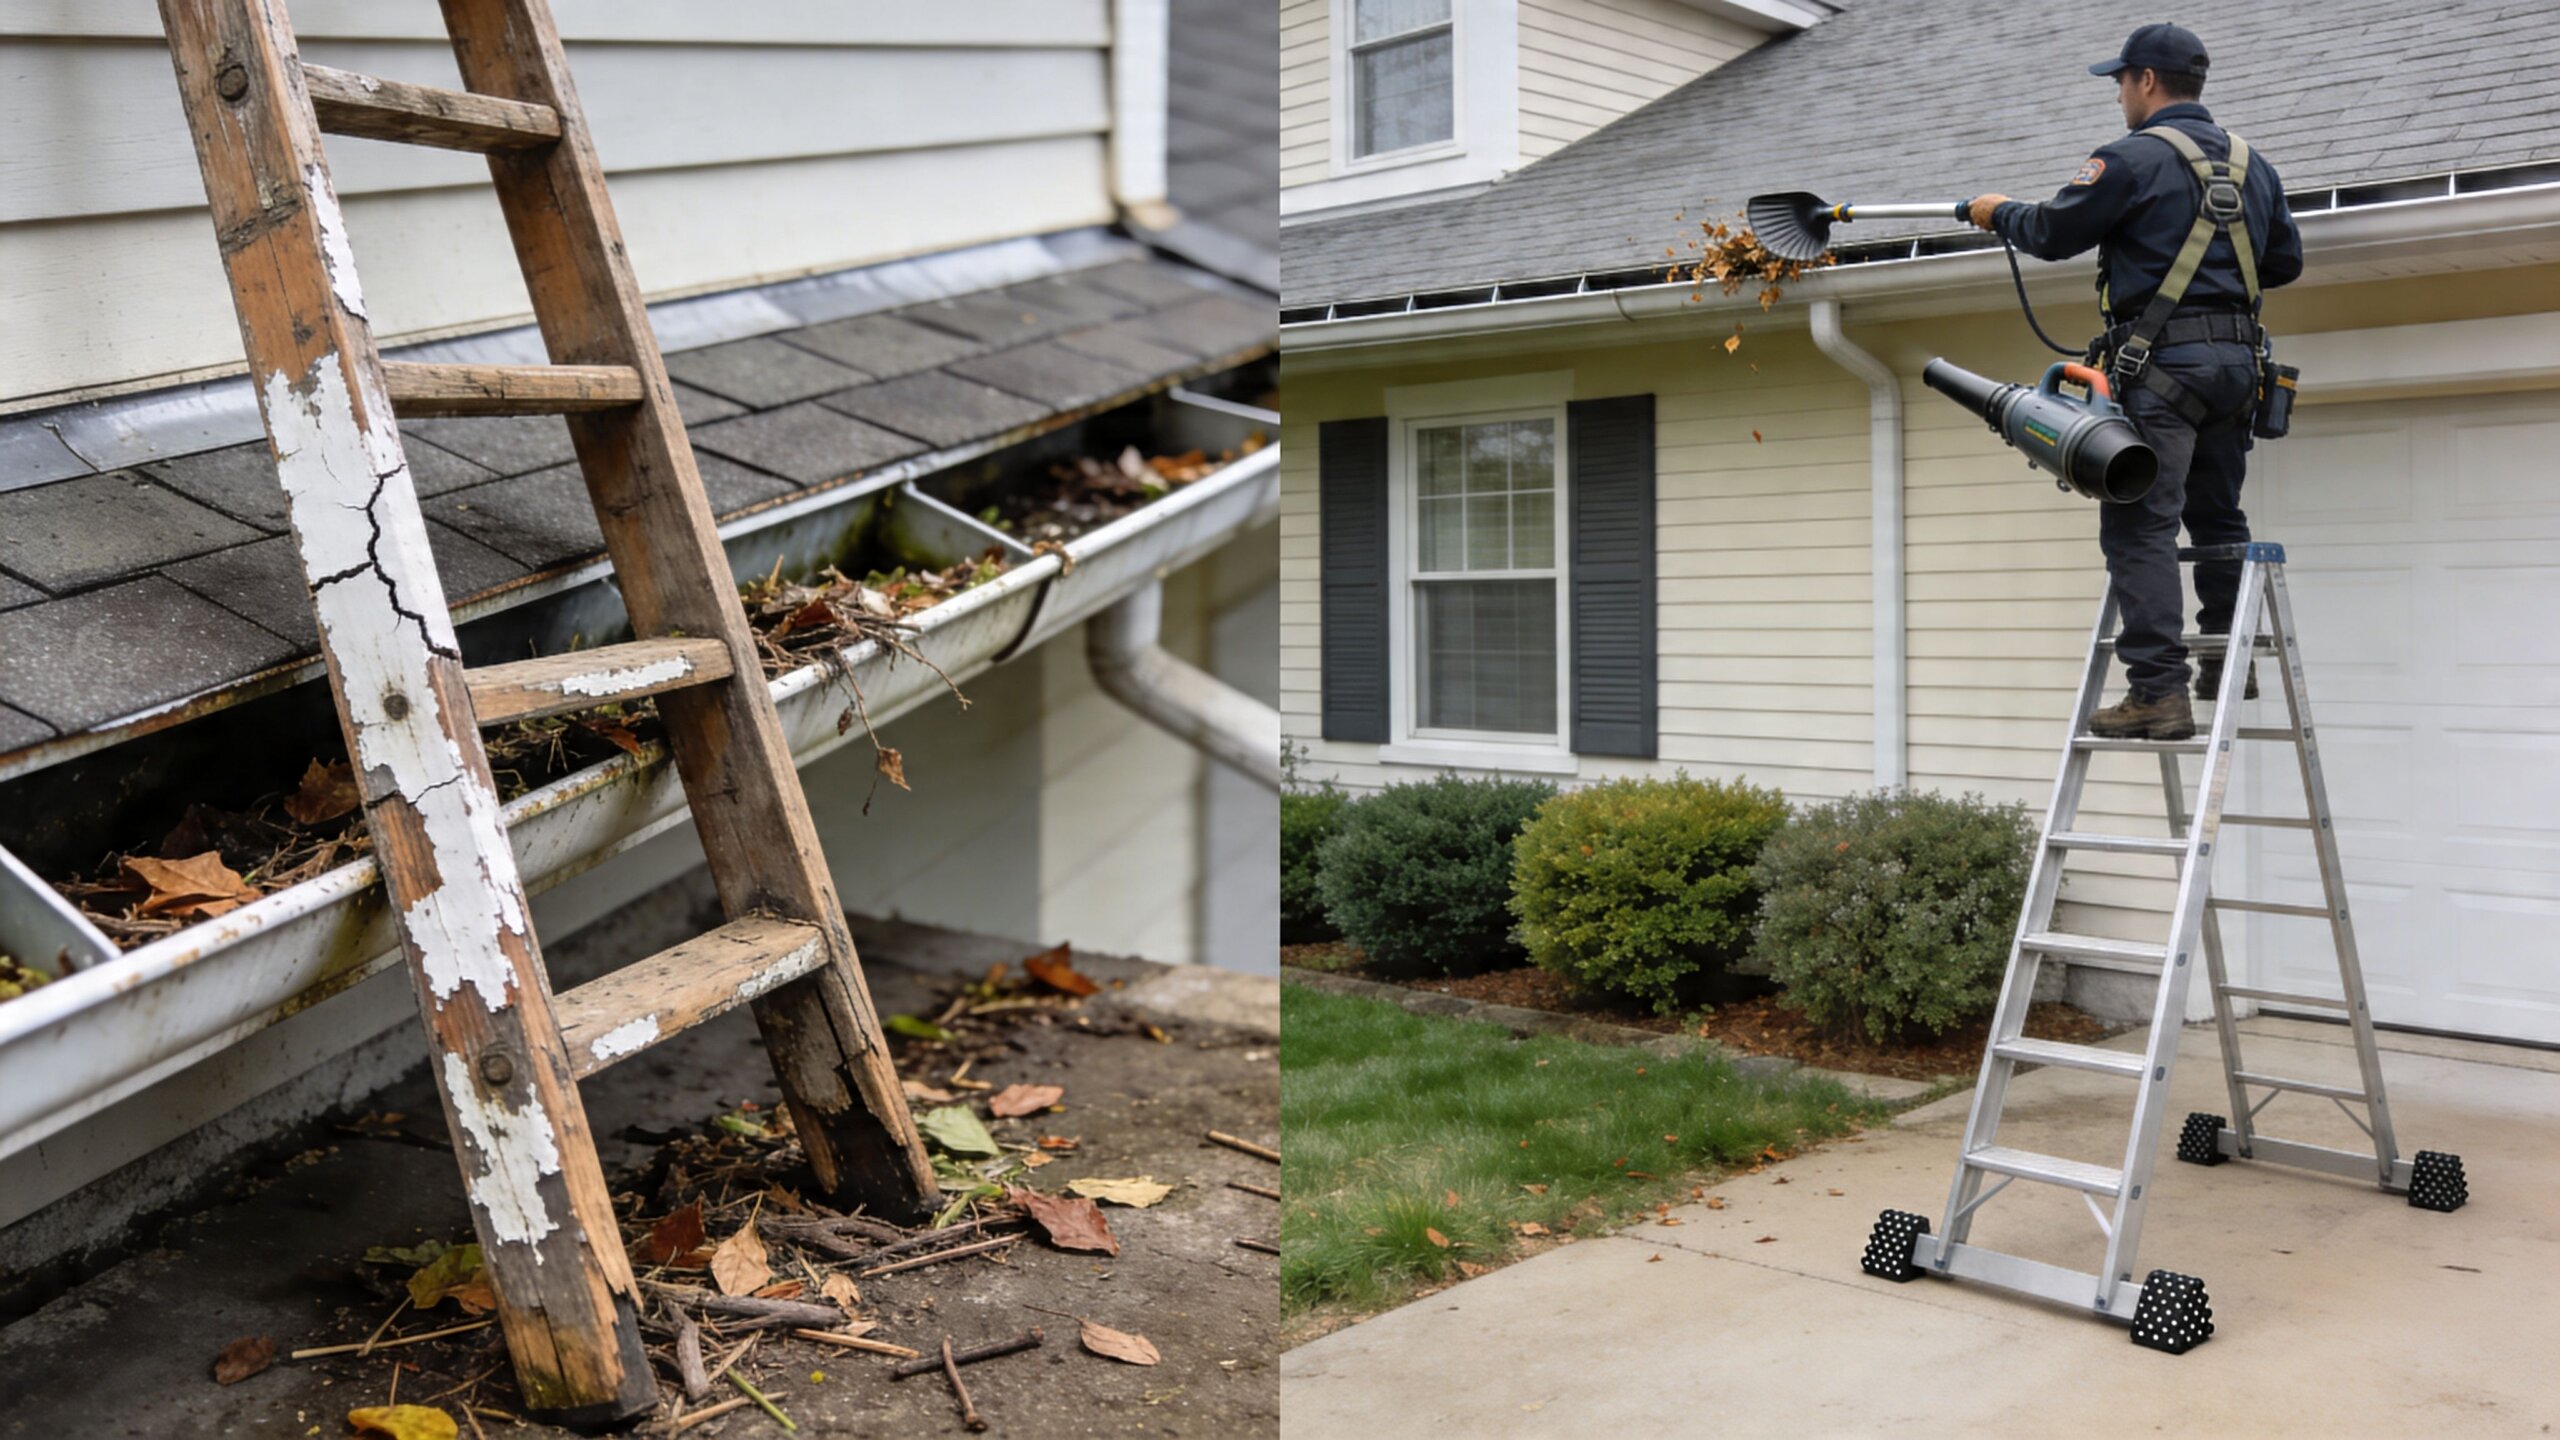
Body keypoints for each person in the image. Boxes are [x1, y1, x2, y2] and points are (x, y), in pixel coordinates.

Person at [1965, 22, 2302, 740]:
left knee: (2140, 525)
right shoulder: (2256, 167)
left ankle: (2157, 691)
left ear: (2147, 80)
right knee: (2218, 518)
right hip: (2238, 370)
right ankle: (2225, 664)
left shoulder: (2128, 160)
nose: (2118, 94)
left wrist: (1996, 213)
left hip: (2163, 369)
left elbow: (2054, 232)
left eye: (2120, 81)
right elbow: (2283, 264)